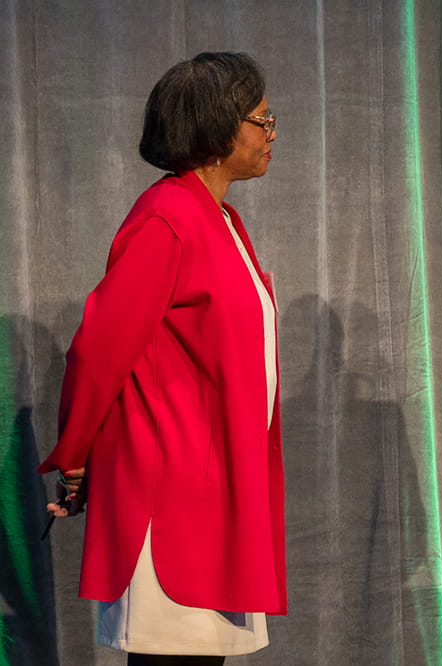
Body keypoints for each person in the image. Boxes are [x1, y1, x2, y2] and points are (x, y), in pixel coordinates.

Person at [38, 52, 285, 665]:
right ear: (216, 129)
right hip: (172, 492)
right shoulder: (167, 217)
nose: (272, 132)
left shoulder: (221, 218)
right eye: (261, 119)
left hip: (215, 486)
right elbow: (99, 348)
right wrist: (75, 455)